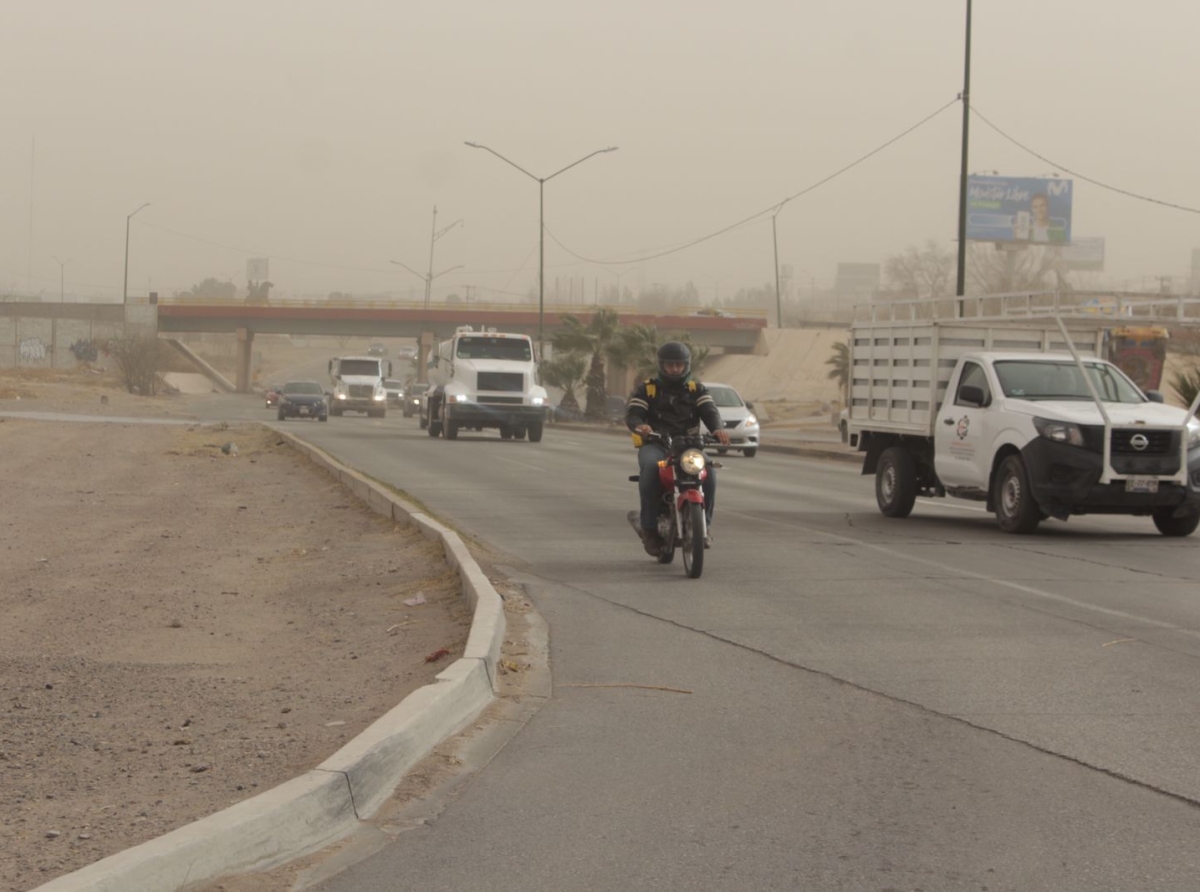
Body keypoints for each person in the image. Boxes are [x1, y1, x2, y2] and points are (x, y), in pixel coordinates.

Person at [625, 341, 731, 556]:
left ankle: (705, 527)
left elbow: (710, 411)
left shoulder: (695, 389)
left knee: (709, 473)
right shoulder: (648, 389)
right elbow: (634, 413)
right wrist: (640, 425)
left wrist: (717, 428)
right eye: (670, 365)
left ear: (686, 366)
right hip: (656, 444)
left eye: (679, 365)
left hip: (688, 447)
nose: (674, 369)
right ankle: (649, 530)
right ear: (661, 365)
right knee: (651, 470)